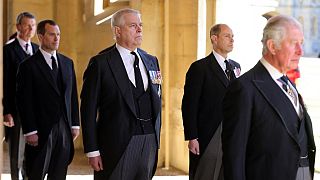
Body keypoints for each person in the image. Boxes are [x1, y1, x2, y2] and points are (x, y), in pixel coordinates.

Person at [222, 15, 316, 180]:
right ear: (272, 46)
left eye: (301, 43)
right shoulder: (244, 88)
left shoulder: (288, 84)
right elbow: (234, 157)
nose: (300, 51)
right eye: (294, 43)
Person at [80, 8, 162, 180]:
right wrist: (92, 150)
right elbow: (88, 110)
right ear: (117, 31)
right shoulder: (100, 63)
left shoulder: (151, 61)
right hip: (116, 144)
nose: (139, 29)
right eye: (133, 26)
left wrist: (155, 141)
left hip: (149, 142)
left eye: (140, 25)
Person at [16, 20, 80, 179]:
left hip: (64, 128)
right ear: (40, 37)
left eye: (58, 34)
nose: (56, 38)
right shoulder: (27, 66)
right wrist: (30, 130)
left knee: (59, 173)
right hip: (41, 129)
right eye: (52, 34)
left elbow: (72, 96)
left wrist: (75, 124)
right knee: (36, 172)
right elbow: (25, 101)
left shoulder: (67, 63)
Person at [181, 24, 241, 180]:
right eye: (227, 36)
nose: (232, 40)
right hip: (207, 134)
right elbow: (189, 105)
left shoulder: (236, 67)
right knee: (205, 174)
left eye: (233, 36)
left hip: (232, 134)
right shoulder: (199, 68)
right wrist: (192, 137)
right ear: (214, 38)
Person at [3, 12, 38, 180]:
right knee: (16, 151)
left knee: (32, 151)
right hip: (16, 111)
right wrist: (7, 111)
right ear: (18, 27)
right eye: (27, 25)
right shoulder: (7, 50)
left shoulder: (38, 49)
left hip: (36, 111)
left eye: (33, 25)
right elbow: (6, 84)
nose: (31, 28)